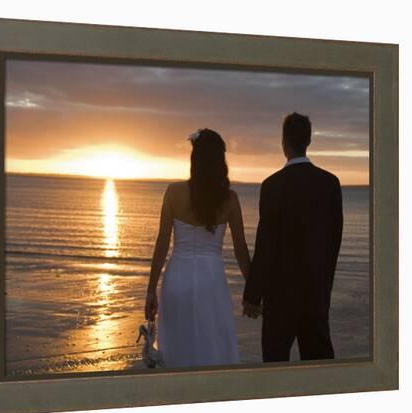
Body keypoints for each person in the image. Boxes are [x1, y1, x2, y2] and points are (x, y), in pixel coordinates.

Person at [144, 128, 251, 368]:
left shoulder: (173, 193)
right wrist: (253, 291)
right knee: (212, 346)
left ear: (195, 159)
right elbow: (240, 249)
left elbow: (162, 244)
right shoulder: (230, 199)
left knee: (179, 350)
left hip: (177, 278)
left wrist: (151, 290)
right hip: (211, 281)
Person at [243, 112, 343, 362]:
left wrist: (253, 296)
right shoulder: (330, 184)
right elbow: (334, 243)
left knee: (275, 373)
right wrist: (324, 290)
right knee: (321, 374)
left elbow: (265, 246)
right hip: (315, 298)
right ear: (308, 141)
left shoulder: (272, 186)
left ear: (283, 142)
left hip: (279, 302)